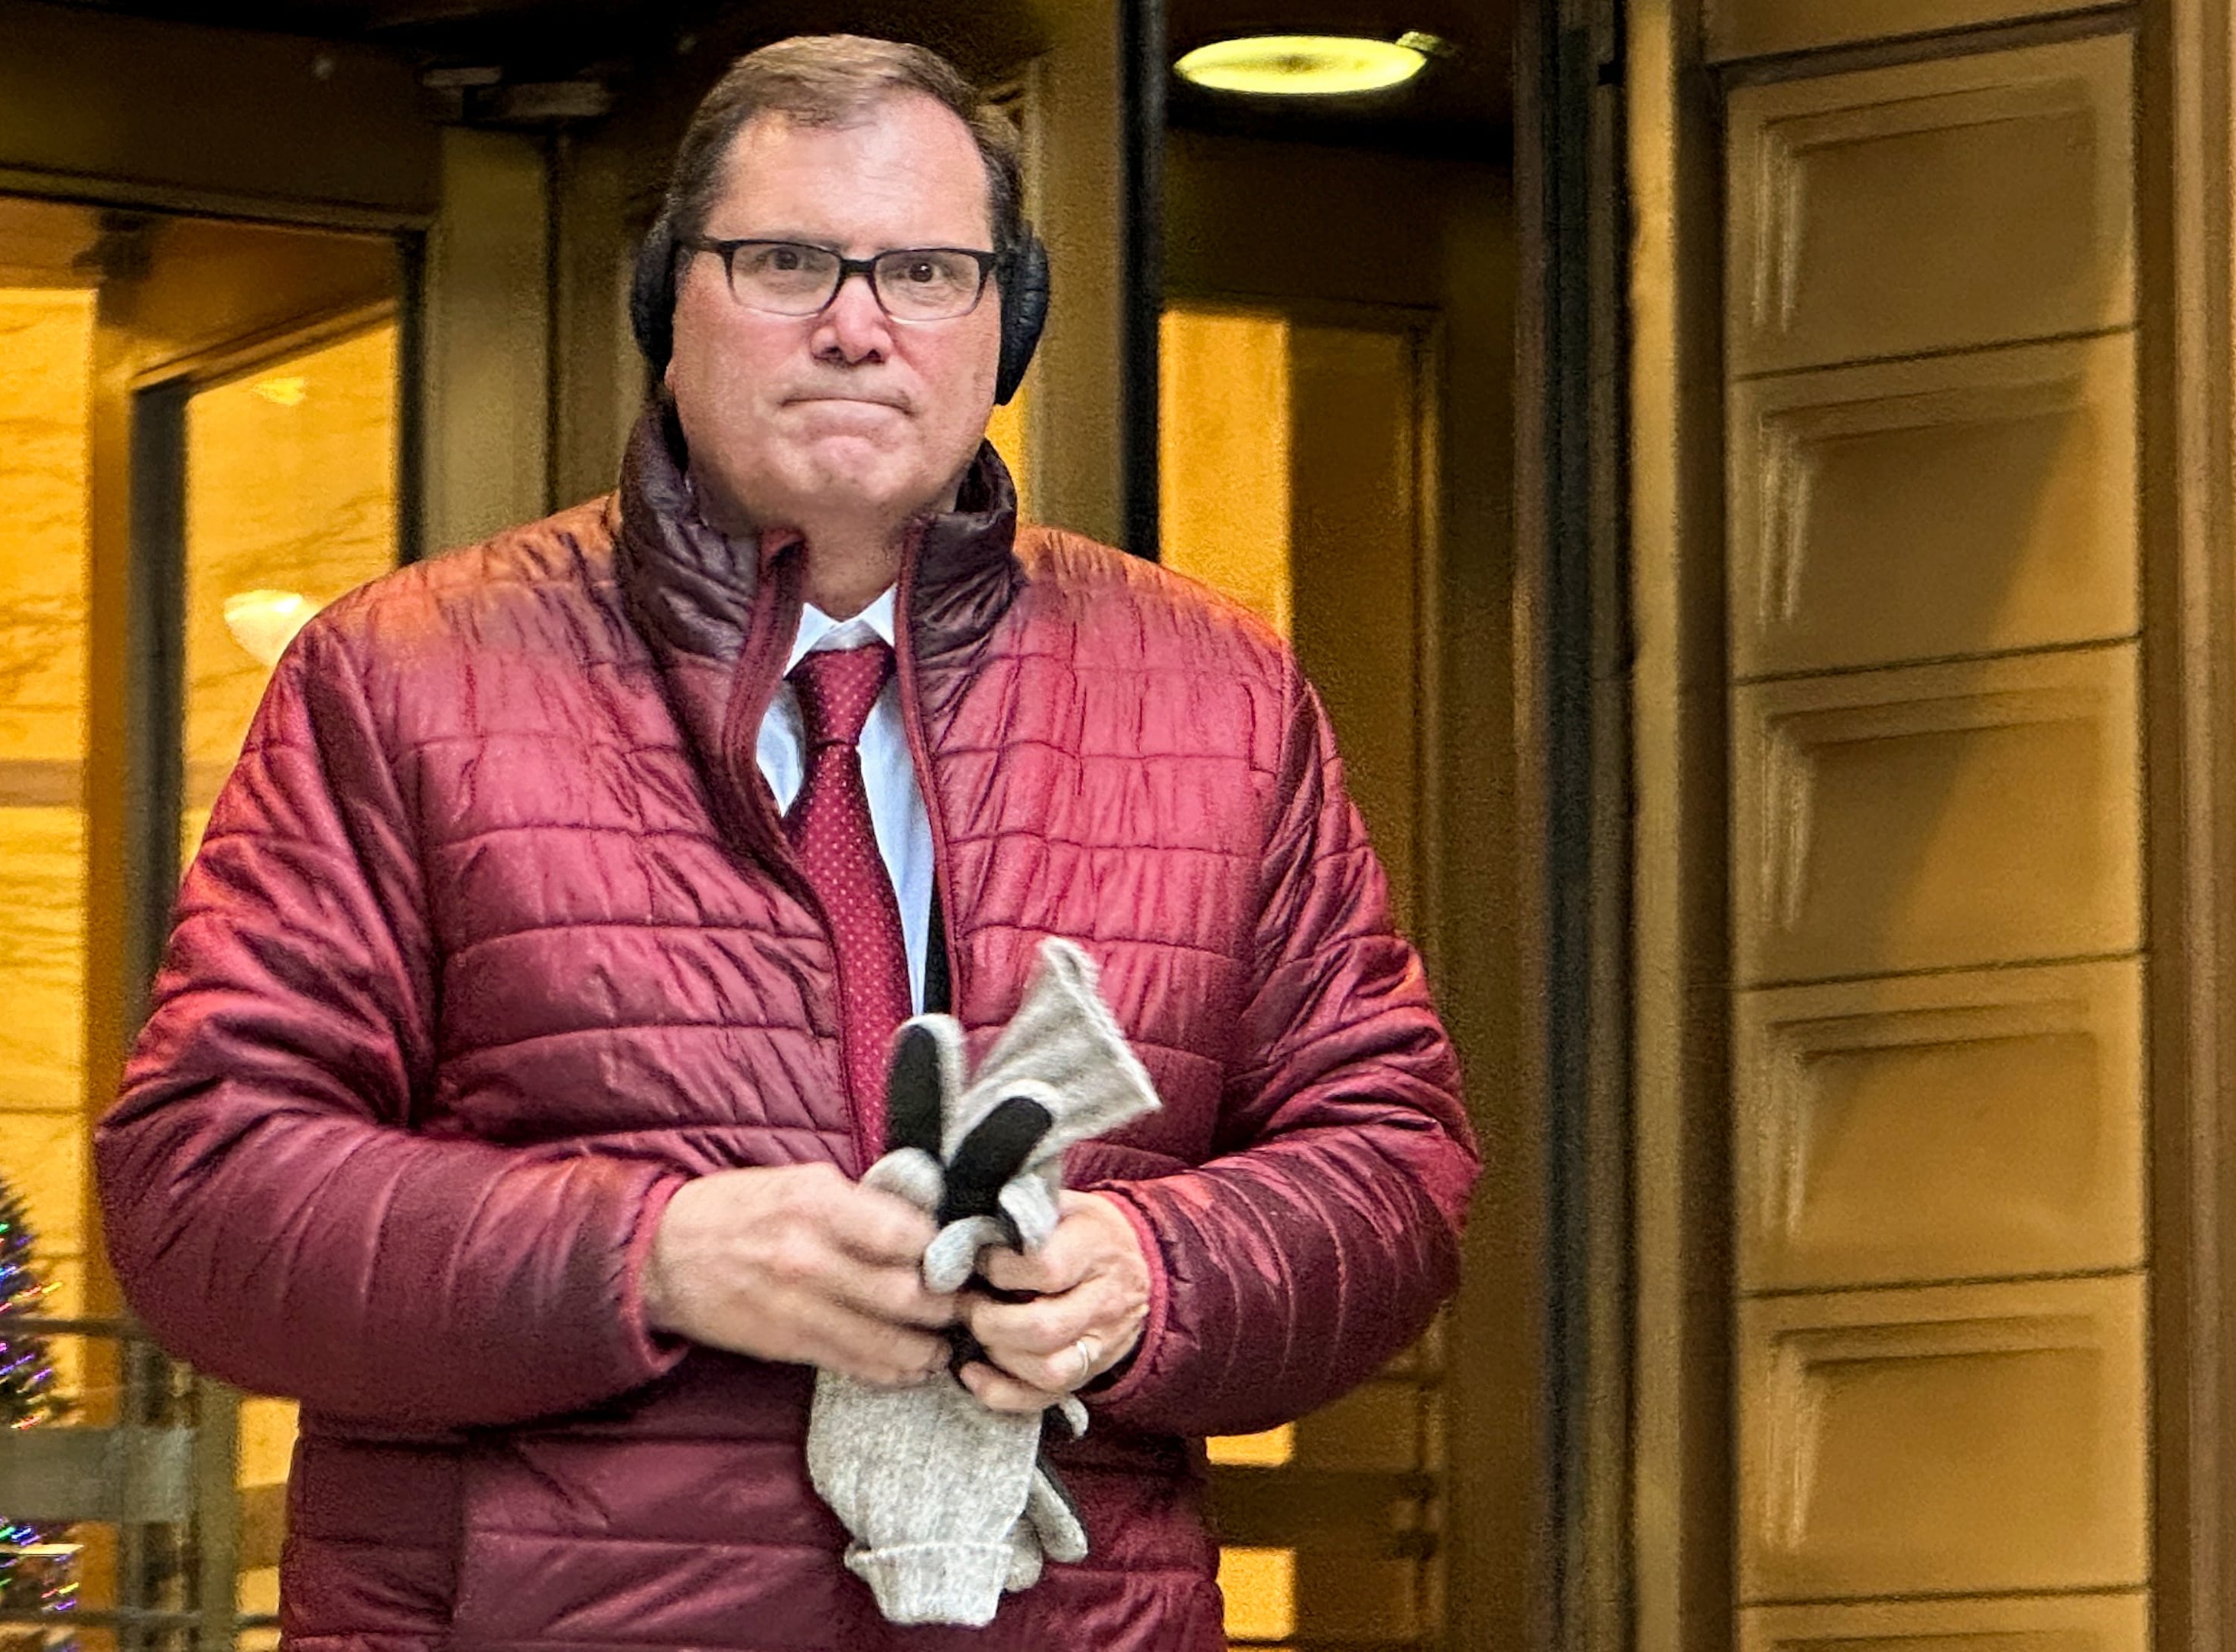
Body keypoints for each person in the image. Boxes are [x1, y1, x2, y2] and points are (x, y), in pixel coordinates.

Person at [96, 33, 1476, 1651]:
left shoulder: (1215, 691)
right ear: (669, 303)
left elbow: (1395, 1165)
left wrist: (1155, 1272)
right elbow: (203, 1189)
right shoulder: (401, 678)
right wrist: (652, 1255)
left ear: (1005, 326)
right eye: (787, 260)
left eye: (929, 272)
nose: (858, 324)